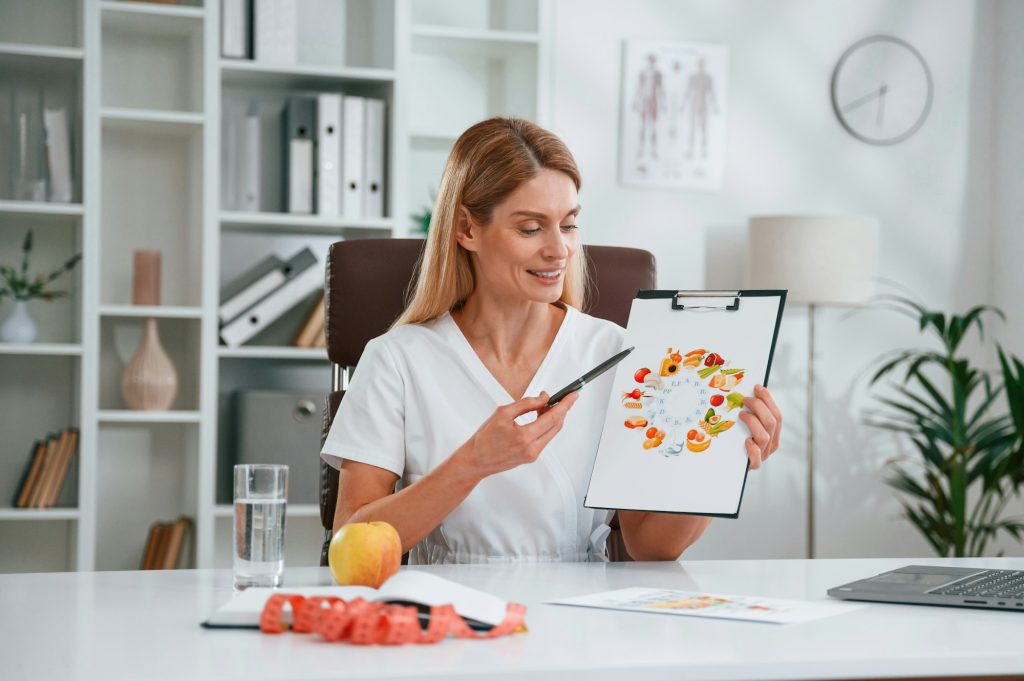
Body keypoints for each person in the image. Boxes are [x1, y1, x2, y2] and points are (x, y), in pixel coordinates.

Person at [320, 117, 782, 564]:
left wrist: (719, 460)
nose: (559, 249)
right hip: (451, 614)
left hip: (583, 617)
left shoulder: (618, 354)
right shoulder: (398, 360)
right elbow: (351, 541)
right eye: (530, 227)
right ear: (466, 229)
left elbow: (649, 546)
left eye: (569, 223)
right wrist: (474, 462)